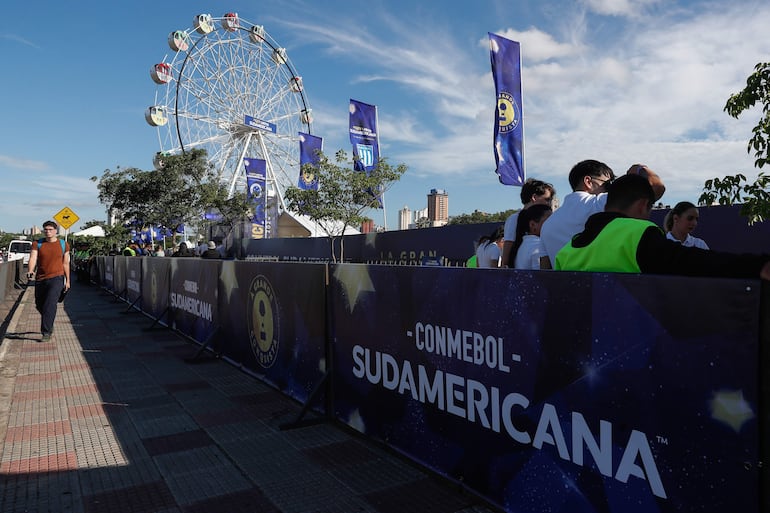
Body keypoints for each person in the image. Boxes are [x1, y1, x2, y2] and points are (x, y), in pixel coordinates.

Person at [554, 174, 770, 279]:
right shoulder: (636, 233)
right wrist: (757, 266)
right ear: (642, 206)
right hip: (631, 350)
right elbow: (695, 263)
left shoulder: (567, 250)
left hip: (584, 353)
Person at [540, 160, 665, 267]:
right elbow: (656, 187)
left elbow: (544, 269)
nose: (612, 188)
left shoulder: (547, 225)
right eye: (608, 184)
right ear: (588, 182)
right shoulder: (599, 203)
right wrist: (638, 169)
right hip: (607, 289)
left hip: (567, 292)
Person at [26, 220, 70, 341]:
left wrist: (68, 281)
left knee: (50, 305)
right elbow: (33, 258)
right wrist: (30, 270)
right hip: (40, 278)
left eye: (50, 229)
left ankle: (46, 332)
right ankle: (48, 321)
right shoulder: (37, 243)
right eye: (46, 229)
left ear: (56, 231)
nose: (48, 232)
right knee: (39, 305)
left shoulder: (63, 244)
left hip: (57, 278)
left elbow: (66, 264)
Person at [501, 179, 555, 267]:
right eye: (547, 199)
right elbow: (506, 256)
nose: (549, 204)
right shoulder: (514, 219)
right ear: (534, 197)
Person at [510, 204, 552, 270]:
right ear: (532, 225)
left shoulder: (522, 243)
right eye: (549, 221)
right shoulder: (538, 245)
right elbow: (540, 277)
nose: (552, 225)